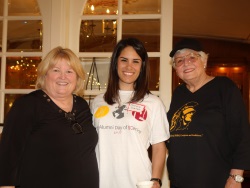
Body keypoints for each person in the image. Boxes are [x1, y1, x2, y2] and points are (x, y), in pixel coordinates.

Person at [0, 46, 99, 188]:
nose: (63, 77)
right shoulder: (27, 106)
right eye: (56, 70)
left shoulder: (82, 105)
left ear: (77, 77)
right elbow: (8, 158)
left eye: (69, 71)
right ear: (44, 74)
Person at [166, 38, 250, 188]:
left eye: (192, 57)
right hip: (180, 180)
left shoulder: (224, 87)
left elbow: (242, 133)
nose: (186, 63)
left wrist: (236, 177)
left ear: (204, 61)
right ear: (175, 68)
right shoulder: (179, 93)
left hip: (216, 179)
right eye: (179, 61)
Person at [91, 38, 170, 188]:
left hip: (138, 183)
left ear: (142, 66)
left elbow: (159, 146)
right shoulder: (98, 102)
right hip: (101, 181)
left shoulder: (153, 103)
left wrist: (156, 180)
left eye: (136, 61)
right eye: (124, 60)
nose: (129, 66)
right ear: (115, 63)